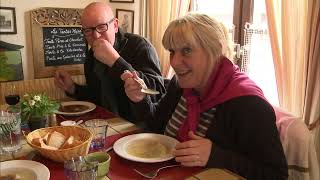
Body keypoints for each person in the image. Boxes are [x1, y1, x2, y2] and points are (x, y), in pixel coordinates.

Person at [121, 13, 288, 179]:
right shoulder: (179, 83)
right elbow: (155, 126)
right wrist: (140, 100)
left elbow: (276, 174)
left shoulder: (248, 104)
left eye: (186, 50)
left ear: (215, 50)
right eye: (172, 51)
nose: (174, 62)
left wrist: (215, 156)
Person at [54, 2, 165, 125]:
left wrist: (115, 61)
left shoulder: (140, 46)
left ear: (115, 25)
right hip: (106, 124)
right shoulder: (91, 55)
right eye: (88, 30)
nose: (96, 36)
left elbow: (158, 92)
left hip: (138, 127)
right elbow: (96, 96)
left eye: (102, 27)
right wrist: (72, 88)